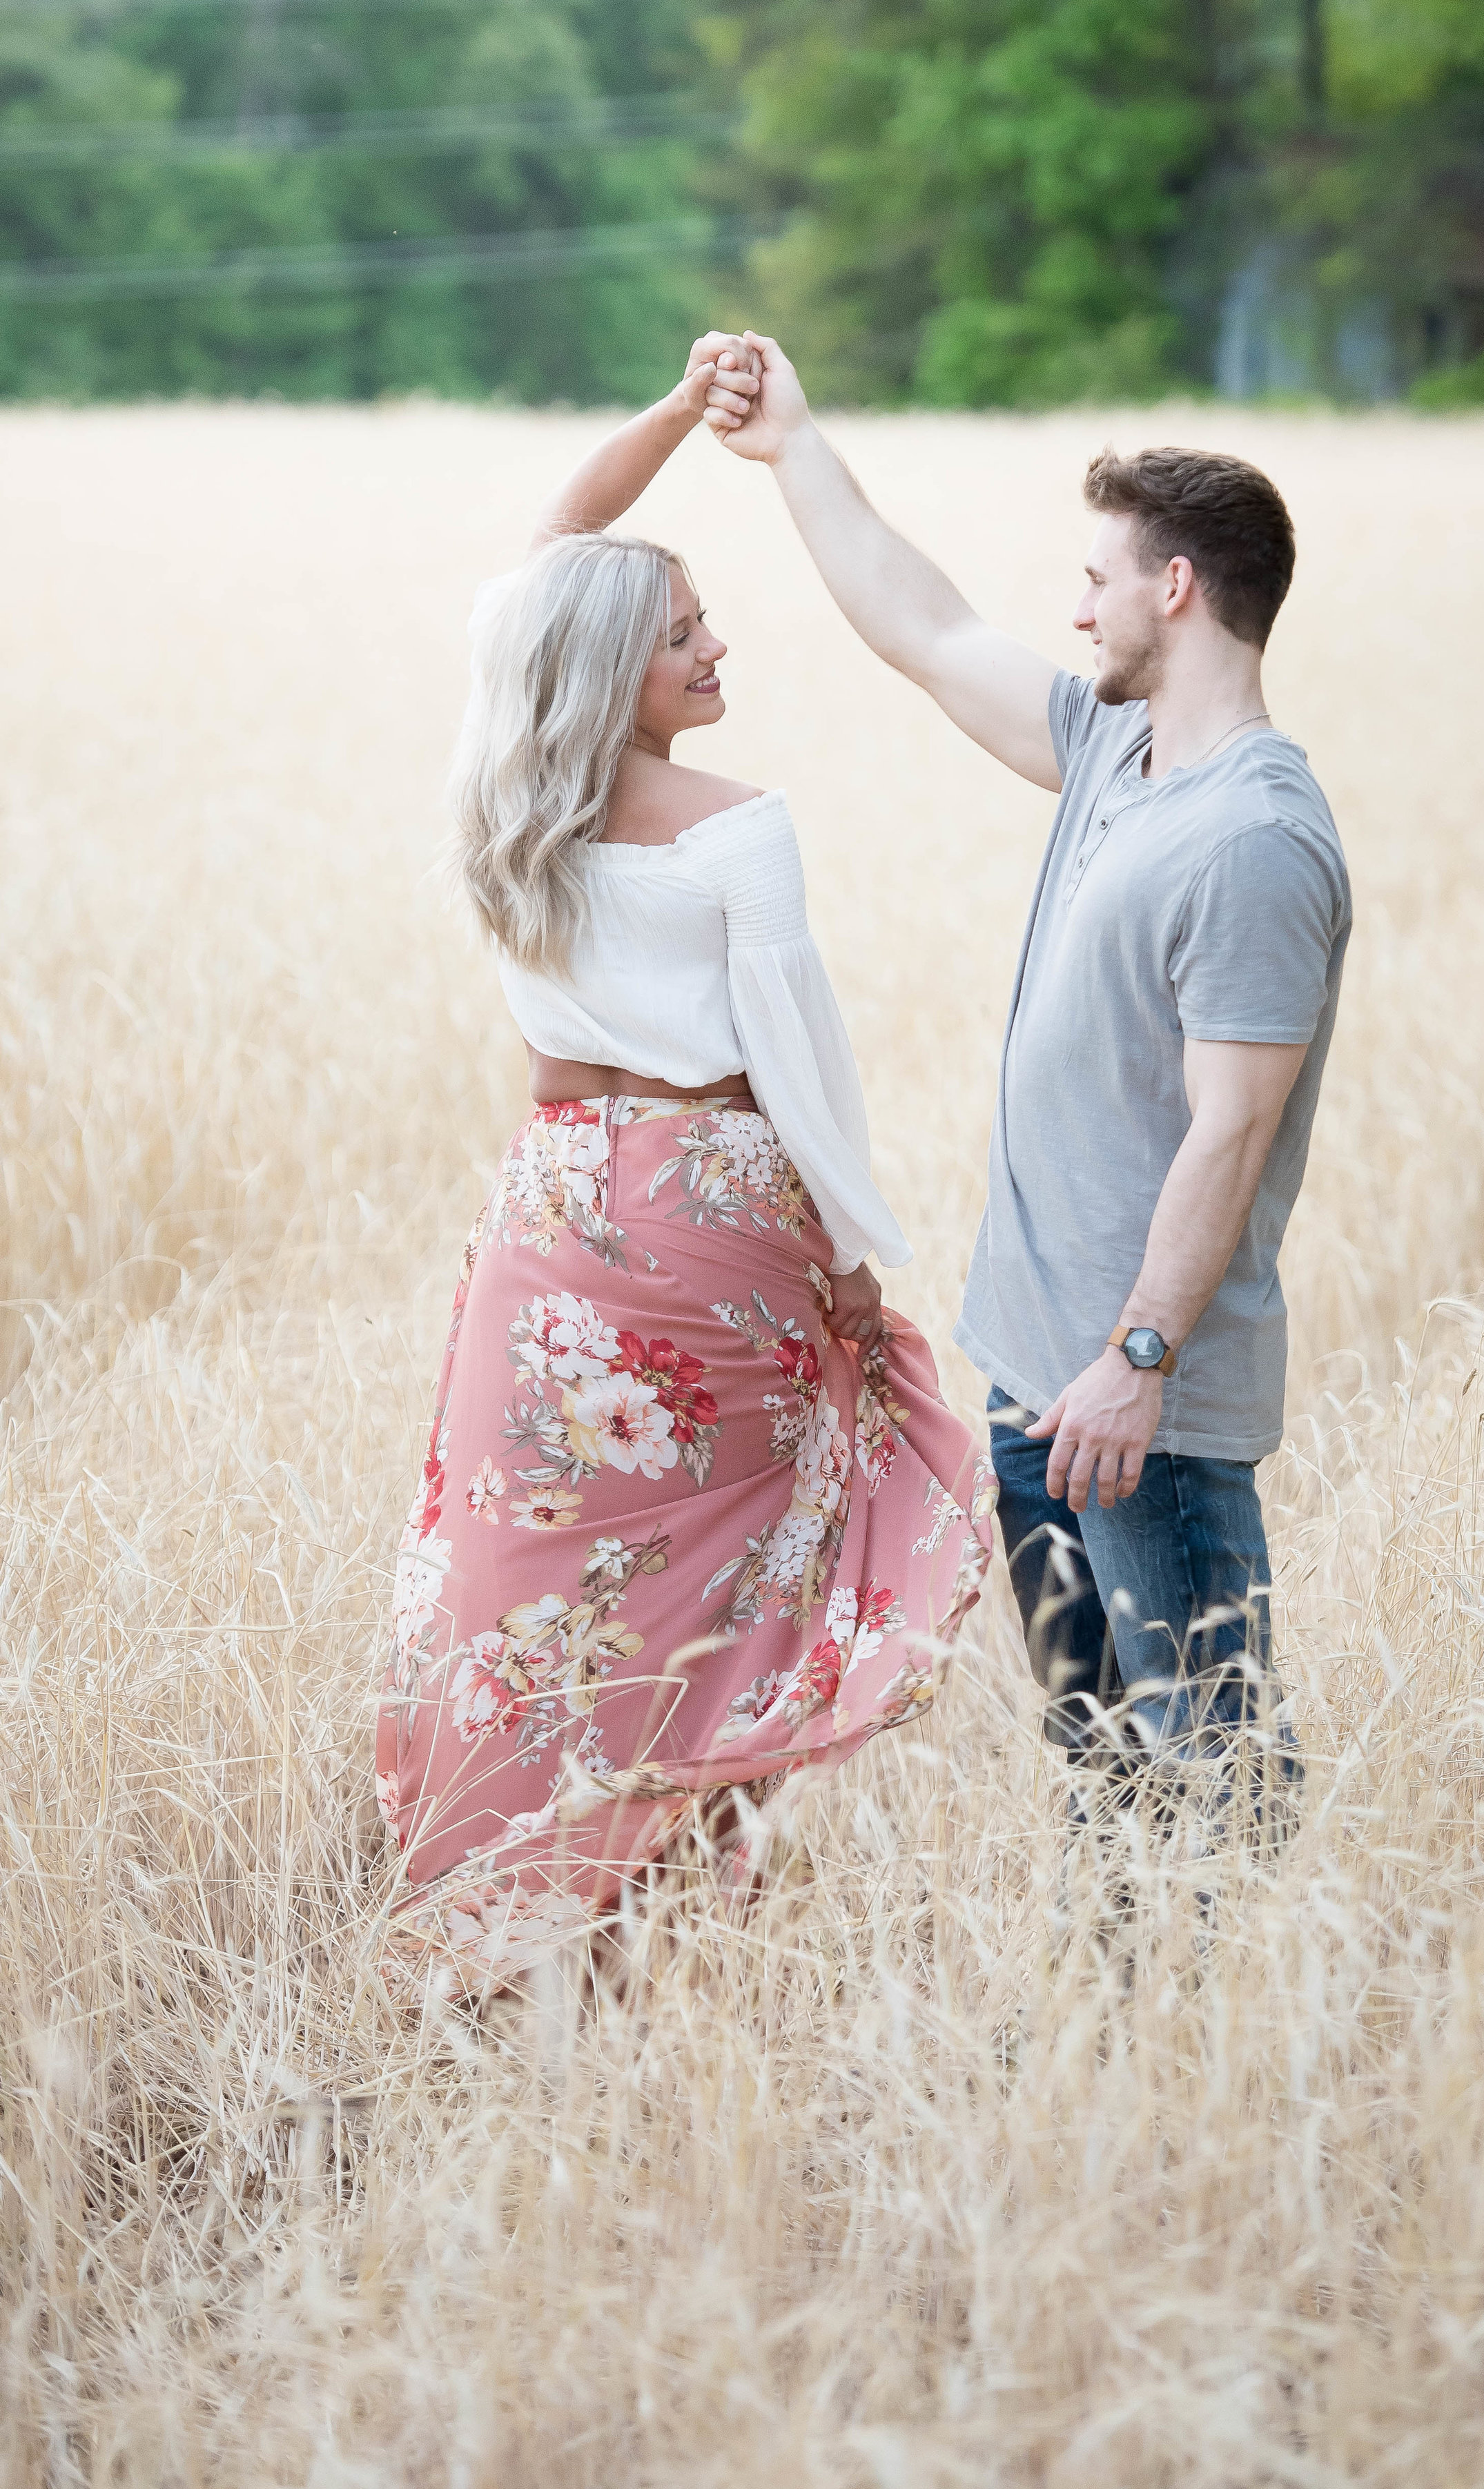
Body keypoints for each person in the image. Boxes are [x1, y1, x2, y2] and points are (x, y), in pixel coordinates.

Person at [376, 334, 995, 1996]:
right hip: (717, 1212)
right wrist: (855, 1256)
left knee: (535, 1586)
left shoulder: (501, 781)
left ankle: (506, 1911)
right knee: (730, 1563)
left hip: (553, 1213)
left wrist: (667, 411)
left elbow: (556, 541)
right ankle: (667, 1900)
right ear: (616, 674)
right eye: (681, 635)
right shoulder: (735, 823)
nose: (718, 644)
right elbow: (797, 1059)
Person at [703, 338, 1350, 1829]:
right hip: (1037, 1382)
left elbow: (1231, 1125)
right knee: (1103, 1763)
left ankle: (1258, 2034)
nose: (1074, 607)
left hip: (1142, 1408)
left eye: (1096, 578)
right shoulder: (1113, 753)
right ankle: (1119, 2042)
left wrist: (1136, 1356)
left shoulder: (1254, 837)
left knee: (1213, 1760)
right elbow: (924, 628)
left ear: (1173, 587)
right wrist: (793, 441)